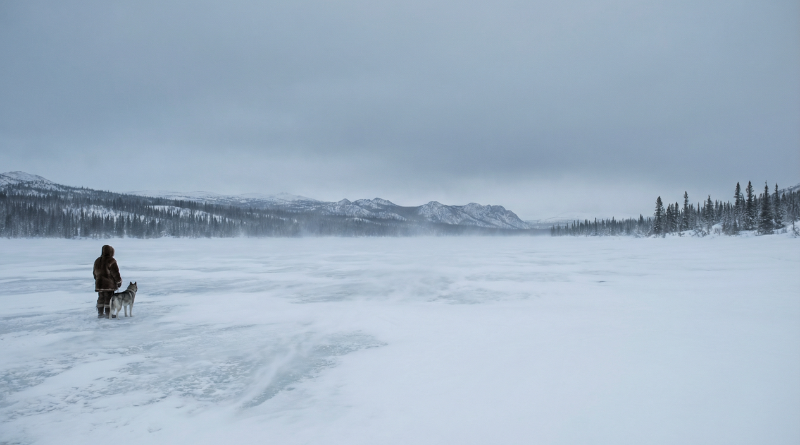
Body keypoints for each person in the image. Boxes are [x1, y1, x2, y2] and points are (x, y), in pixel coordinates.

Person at [94, 245, 122, 318]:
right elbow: (115, 273)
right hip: (109, 284)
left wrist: (97, 279)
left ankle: (100, 313)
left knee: (101, 298)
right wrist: (118, 281)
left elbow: (95, 273)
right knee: (109, 298)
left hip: (99, 284)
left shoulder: (97, 260)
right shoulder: (111, 260)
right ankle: (108, 314)